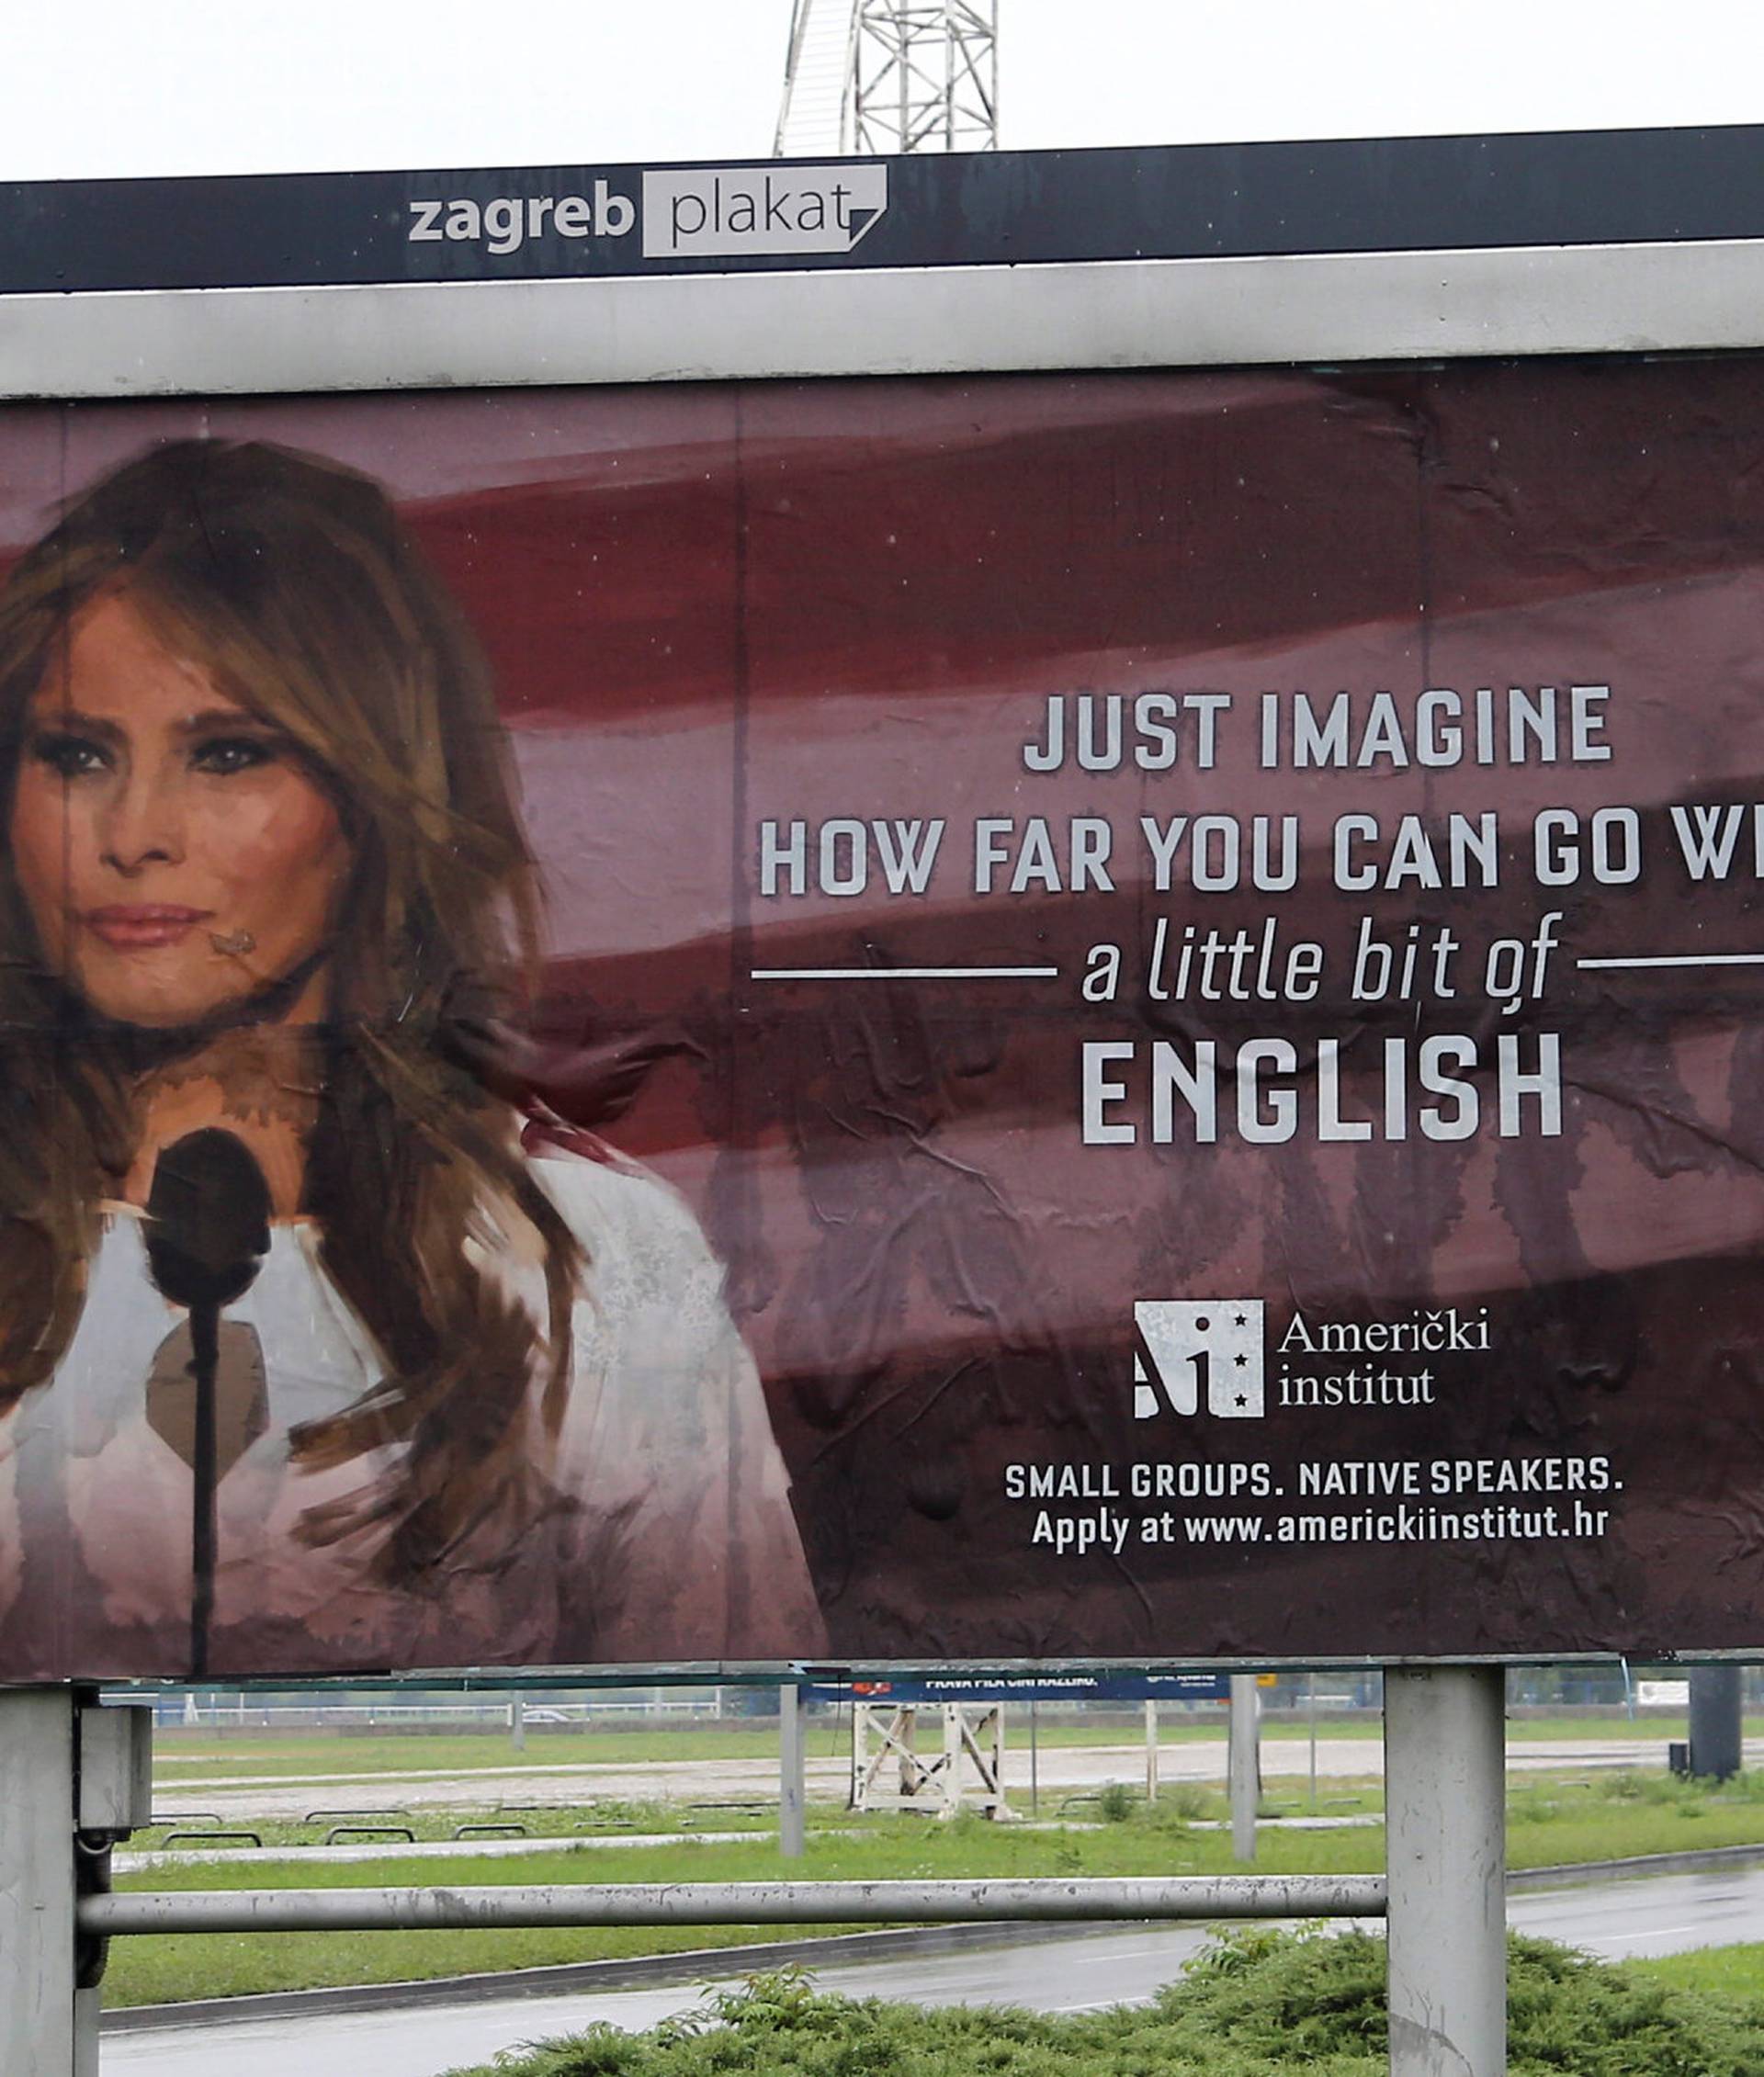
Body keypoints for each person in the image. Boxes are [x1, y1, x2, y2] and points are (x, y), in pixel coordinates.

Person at [0, 437, 823, 1678]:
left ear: (371, 795)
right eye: (77, 754)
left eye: (226, 752)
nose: (131, 835)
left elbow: (731, 1788)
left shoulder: (594, 1273)